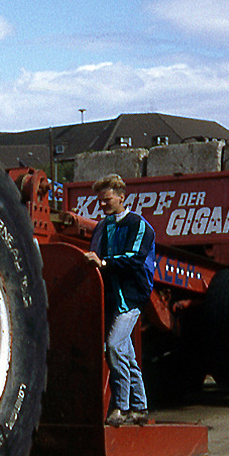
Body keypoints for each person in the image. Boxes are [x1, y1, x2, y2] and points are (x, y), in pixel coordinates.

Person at [83, 173, 155, 427]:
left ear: (122, 197)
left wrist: (103, 263)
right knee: (126, 352)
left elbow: (135, 259)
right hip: (112, 297)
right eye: (100, 201)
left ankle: (121, 407)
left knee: (113, 346)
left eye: (107, 200)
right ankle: (140, 407)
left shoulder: (139, 225)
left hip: (132, 297)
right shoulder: (103, 227)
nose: (102, 205)